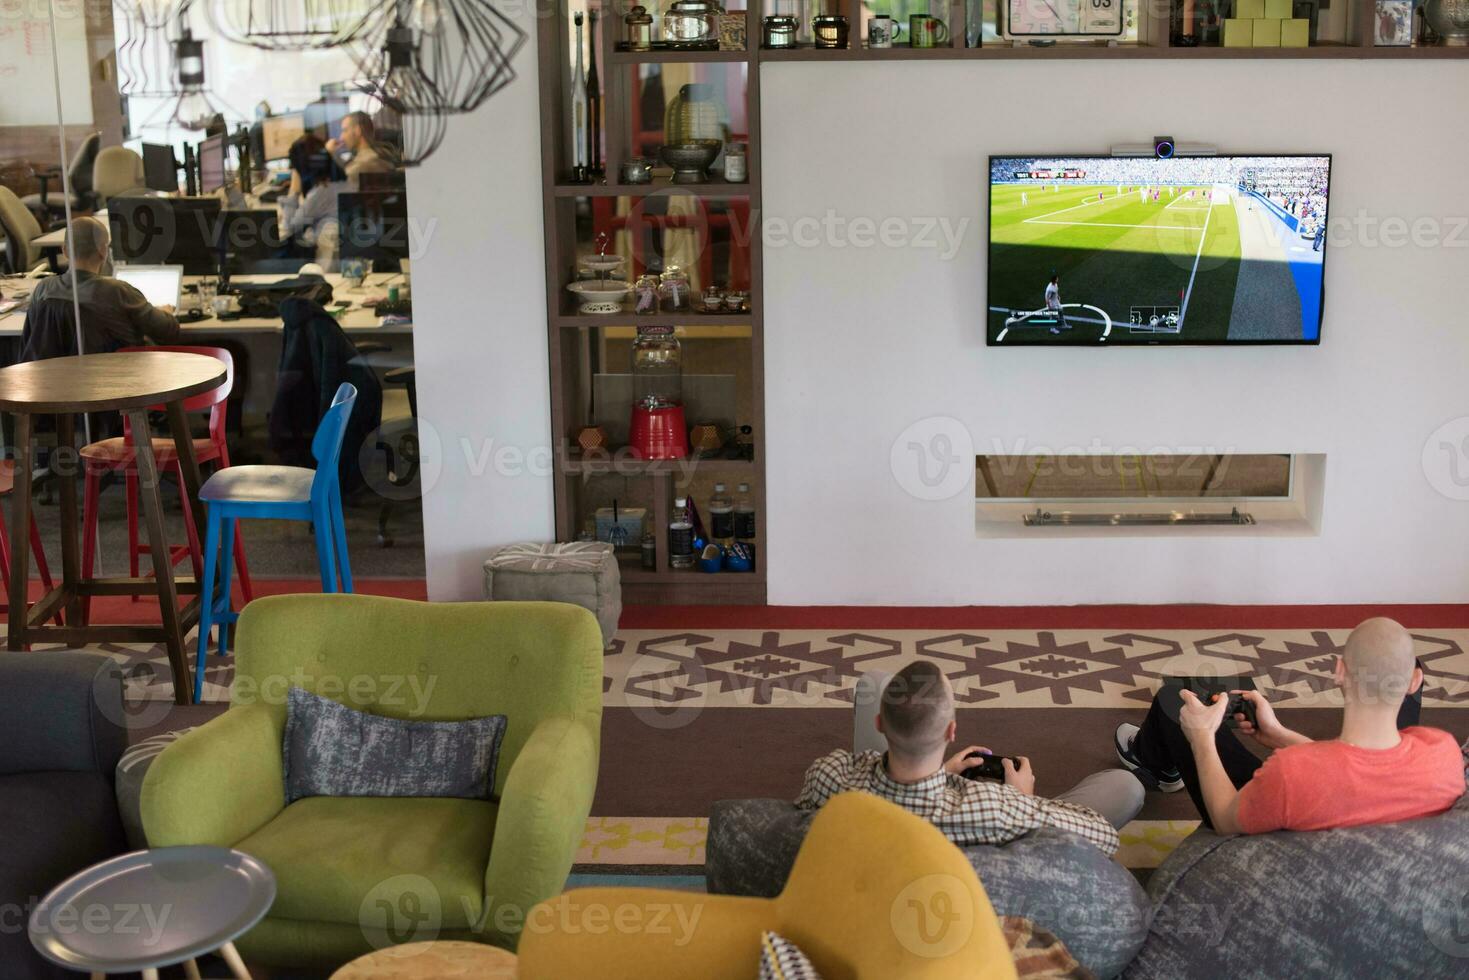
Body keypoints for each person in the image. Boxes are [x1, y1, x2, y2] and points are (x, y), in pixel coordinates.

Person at [1114, 617, 1464, 835]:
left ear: (1339, 672)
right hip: (1330, 803)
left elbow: (1225, 819)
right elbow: (1351, 769)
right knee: (1392, 654)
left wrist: (1202, 736)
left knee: (1175, 700)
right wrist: (1280, 735)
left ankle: (1156, 764)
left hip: (1277, 828)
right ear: (1416, 682)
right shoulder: (1442, 752)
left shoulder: (1291, 772)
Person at [796, 661, 1142, 856]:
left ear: (879, 725)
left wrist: (943, 773)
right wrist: (1025, 799)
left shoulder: (830, 775)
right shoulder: (998, 807)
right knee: (1125, 785)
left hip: (875, 825)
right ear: (951, 732)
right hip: (982, 856)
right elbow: (1104, 837)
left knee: (876, 682)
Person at [21, 216, 180, 360]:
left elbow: (29, 342)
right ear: (103, 251)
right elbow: (168, 332)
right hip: (114, 385)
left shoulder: (43, 289)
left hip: (54, 385)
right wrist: (166, 313)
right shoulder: (117, 291)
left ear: (65, 251)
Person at [280, 134, 348, 263]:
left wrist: (294, 191)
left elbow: (290, 228)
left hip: (323, 266)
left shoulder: (320, 192)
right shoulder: (338, 182)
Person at [326, 111, 394, 190]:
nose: (341, 137)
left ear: (358, 130)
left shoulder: (371, 158)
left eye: (345, 130)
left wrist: (334, 153)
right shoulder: (373, 153)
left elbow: (353, 171)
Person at [1044, 271, 1068, 335]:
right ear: (1055, 280)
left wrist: (1058, 296)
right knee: (1053, 317)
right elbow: (1047, 298)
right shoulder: (1050, 289)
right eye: (1057, 278)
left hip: (1056, 301)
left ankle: (1063, 325)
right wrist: (1049, 307)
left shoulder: (1055, 284)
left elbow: (1056, 292)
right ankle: (1052, 329)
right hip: (1052, 304)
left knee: (1061, 312)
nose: (1058, 279)